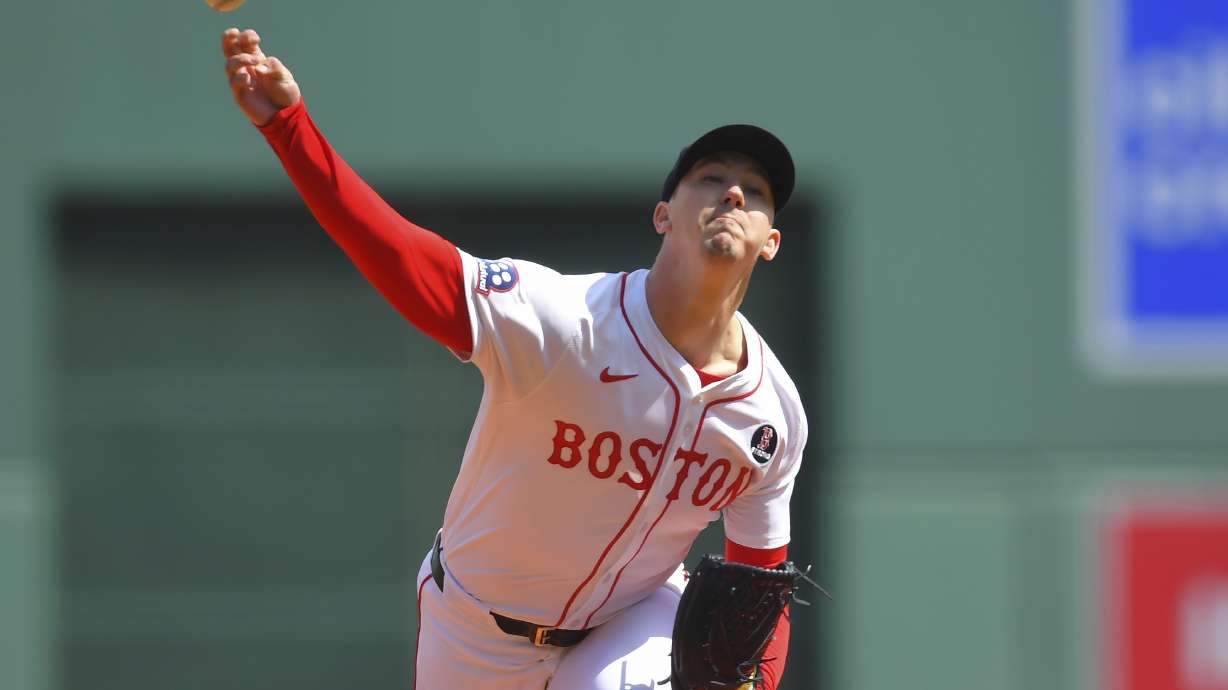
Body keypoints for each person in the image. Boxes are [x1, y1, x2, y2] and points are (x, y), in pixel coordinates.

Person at [221, 27, 808, 690]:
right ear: (663, 215)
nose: (733, 194)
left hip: (631, 629)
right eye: (710, 179)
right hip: (474, 629)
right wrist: (291, 129)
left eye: (754, 192)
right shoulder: (566, 320)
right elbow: (405, 259)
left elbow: (762, 581)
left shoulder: (771, 415)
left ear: (771, 241)